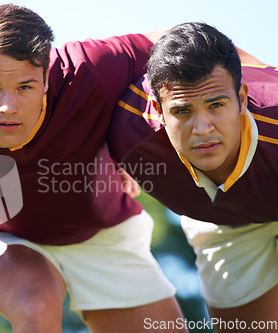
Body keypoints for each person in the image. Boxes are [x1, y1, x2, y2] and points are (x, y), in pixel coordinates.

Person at [0, 4, 186, 332]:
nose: (7, 107)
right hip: (3, 233)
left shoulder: (91, 69)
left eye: (25, 87)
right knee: (35, 303)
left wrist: (128, 138)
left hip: (102, 233)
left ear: (46, 78)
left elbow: (185, 42)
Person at [109, 22, 278, 332]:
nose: (202, 129)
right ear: (159, 112)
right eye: (183, 111)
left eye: (216, 105)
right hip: (224, 221)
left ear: (242, 98)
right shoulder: (126, 132)